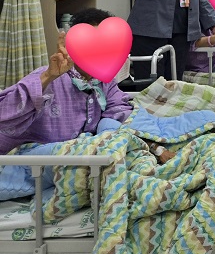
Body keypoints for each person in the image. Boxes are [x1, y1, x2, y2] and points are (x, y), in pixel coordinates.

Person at [0, 8, 133, 154]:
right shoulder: (49, 77)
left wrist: (107, 132)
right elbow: (4, 113)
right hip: (31, 155)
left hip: (78, 155)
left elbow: (119, 109)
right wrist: (48, 76)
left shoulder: (104, 81)